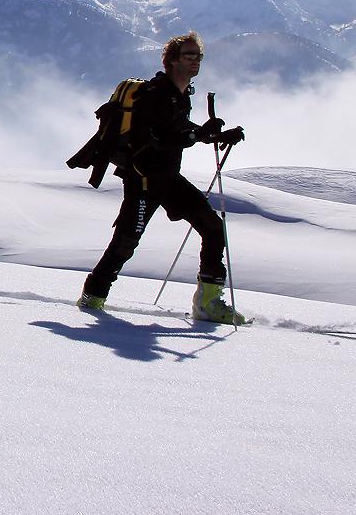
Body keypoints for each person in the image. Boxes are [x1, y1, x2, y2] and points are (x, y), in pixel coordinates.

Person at [77, 30, 246, 323]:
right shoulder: (155, 94)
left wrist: (212, 135)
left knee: (212, 228)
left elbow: (176, 130)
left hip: (166, 177)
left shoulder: (179, 94)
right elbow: (154, 138)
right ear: (171, 60)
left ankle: (208, 302)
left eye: (199, 55)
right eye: (189, 55)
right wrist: (198, 135)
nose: (196, 61)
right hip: (143, 178)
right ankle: (93, 295)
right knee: (126, 241)